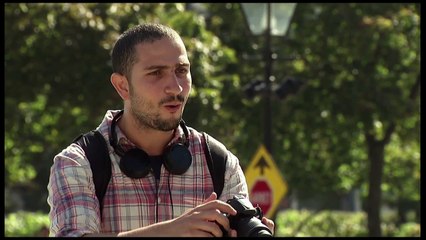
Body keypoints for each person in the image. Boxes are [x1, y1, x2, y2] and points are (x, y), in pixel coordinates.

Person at [47, 22, 274, 237]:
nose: (175, 87)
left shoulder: (220, 162)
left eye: (182, 70)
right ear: (122, 86)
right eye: (156, 73)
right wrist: (173, 231)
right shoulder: (78, 162)